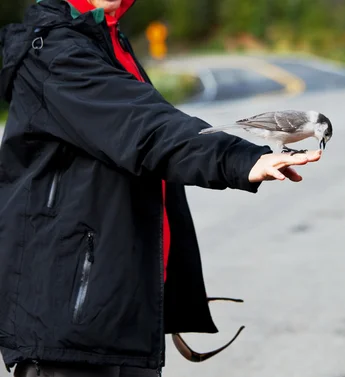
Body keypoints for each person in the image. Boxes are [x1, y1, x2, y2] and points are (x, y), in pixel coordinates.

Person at [0, 0, 322, 376]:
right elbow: (146, 127)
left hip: (116, 313)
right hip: (70, 331)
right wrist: (239, 159)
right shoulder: (57, 51)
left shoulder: (106, 35)